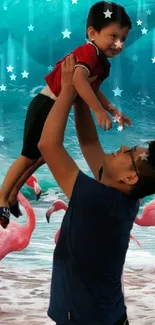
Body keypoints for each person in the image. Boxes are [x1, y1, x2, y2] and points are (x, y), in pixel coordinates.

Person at [38, 54, 155, 325]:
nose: (123, 147)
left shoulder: (98, 200)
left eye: (131, 154)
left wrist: (68, 90)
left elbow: (48, 146)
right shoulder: (121, 197)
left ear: (130, 178)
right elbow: (90, 142)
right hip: (105, 316)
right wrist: (82, 95)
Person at [0, 1, 132, 228]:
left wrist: (113, 110)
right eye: (113, 36)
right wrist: (97, 110)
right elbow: (79, 80)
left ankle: (12, 197)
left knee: (40, 157)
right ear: (92, 33)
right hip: (45, 104)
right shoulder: (89, 52)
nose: (119, 44)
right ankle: (2, 198)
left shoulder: (103, 63)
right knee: (27, 156)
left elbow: (94, 88)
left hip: (55, 106)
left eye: (123, 39)